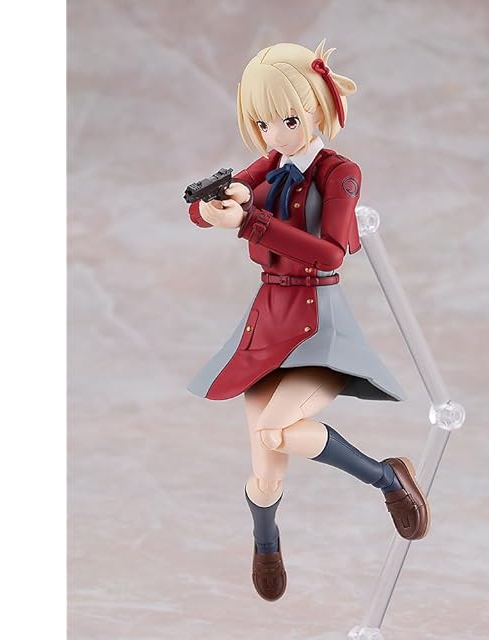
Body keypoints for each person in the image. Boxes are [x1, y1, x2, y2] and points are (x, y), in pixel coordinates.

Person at [186, 40, 430, 602]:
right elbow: (215, 204)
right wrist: (213, 207)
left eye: (289, 120)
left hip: (318, 324)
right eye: (263, 123)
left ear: (316, 108)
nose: (276, 134)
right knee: (264, 475)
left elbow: (331, 253)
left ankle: (387, 478)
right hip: (266, 323)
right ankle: (266, 543)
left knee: (278, 429)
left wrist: (249, 223)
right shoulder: (268, 164)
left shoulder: (341, 173)